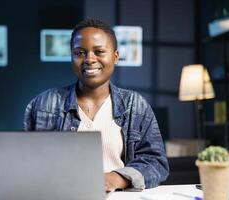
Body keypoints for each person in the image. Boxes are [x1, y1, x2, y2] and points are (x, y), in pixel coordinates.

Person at [24, 19, 169, 192]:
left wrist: (117, 178)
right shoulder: (44, 104)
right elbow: (28, 162)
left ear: (115, 56)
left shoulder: (135, 105)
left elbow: (156, 162)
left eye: (99, 51)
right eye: (80, 52)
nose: (89, 59)